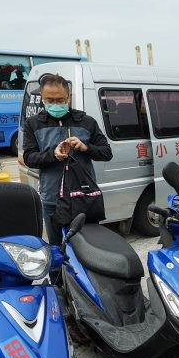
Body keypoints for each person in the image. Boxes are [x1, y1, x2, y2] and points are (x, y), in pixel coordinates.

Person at [22, 73, 113, 248]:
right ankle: (58, 276)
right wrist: (53, 155)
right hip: (52, 199)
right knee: (57, 248)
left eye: (60, 100)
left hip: (84, 197)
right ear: (42, 98)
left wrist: (85, 147)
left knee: (90, 247)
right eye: (50, 100)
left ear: (69, 98)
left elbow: (106, 153)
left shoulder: (87, 122)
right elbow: (29, 158)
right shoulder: (33, 124)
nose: (55, 104)